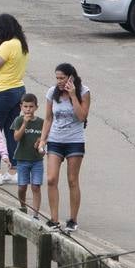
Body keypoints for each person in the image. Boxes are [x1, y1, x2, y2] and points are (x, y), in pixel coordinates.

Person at [39, 62, 91, 232]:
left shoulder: (83, 91)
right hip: (55, 140)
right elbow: (48, 118)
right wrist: (42, 140)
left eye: (62, 78)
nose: (59, 81)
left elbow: (82, 116)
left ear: (71, 77)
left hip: (74, 140)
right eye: (57, 78)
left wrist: (73, 95)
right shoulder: (51, 93)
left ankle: (73, 219)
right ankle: (54, 219)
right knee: (51, 179)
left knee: (72, 180)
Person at [0, 12, 28, 183]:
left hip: (2, 91)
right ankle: (14, 171)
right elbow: (2, 58)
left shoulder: (8, 45)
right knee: (11, 131)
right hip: (18, 90)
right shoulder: (20, 44)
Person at [12, 93, 45, 217]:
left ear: (36, 107)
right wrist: (25, 124)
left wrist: (40, 144)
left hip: (37, 160)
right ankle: (23, 206)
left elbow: (45, 138)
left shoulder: (41, 122)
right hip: (22, 159)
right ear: (21, 107)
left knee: (36, 186)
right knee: (22, 187)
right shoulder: (19, 120)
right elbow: (16, 137)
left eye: (31, 106)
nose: (28, 109)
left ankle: (35, 214)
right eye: (25, 106)